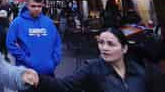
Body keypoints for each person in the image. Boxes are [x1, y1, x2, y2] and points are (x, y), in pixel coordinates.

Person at [27, 27, 160, 92]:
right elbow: (64, 85)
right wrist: (39, 79)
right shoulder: (92, 68)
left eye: (111, 44)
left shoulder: (141, 70)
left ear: (124, 49)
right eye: (101, 43)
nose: (104, 48)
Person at [6, 0, 62, 81]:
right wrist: (26, 59)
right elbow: (10, 44)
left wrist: (55, 60)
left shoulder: (48, 22)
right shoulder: (17, 22)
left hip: (48, 73)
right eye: (33, 6)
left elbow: (57, 42)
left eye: (39, 6)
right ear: (27, 6)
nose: (37, 9)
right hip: (27, 73)